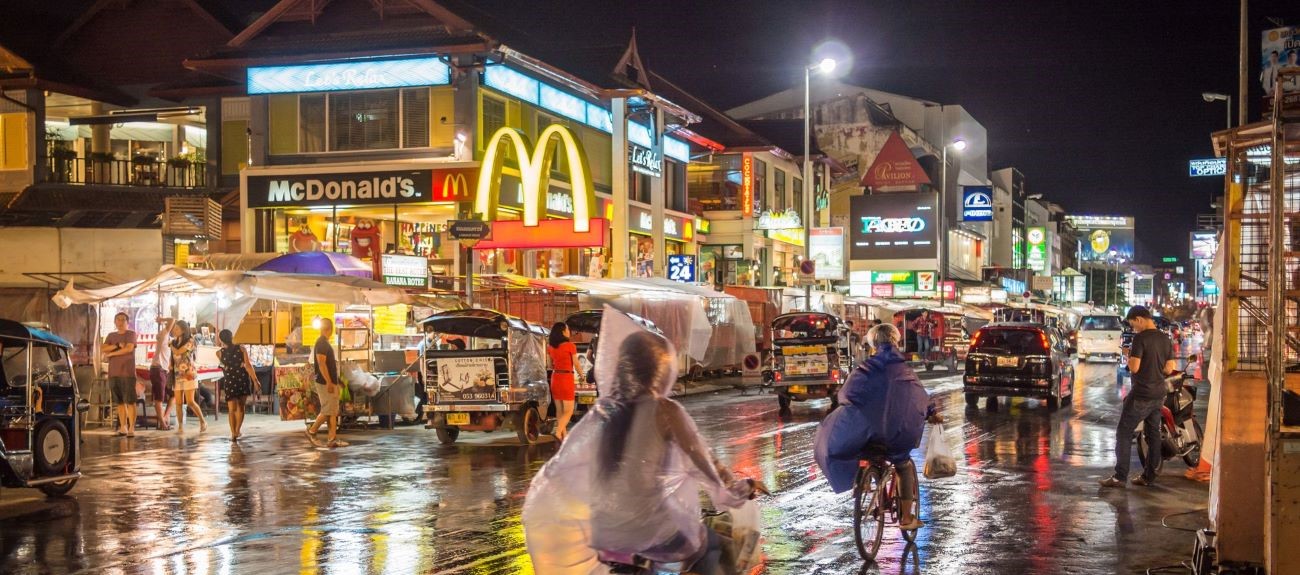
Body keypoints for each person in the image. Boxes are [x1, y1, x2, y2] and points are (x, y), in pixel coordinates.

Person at [523, 308, 766, 574]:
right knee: (712, 548)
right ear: (660, 370)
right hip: (647, 527)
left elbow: (567, 469)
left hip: (602, 530)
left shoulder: (604, 413)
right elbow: (704, 462)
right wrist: (739, 489)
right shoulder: (665, 410)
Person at [814, 323, 939, 530]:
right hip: (895, 436)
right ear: (896, 342)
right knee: (903, 465)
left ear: (873, 345)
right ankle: (907, 519)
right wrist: (932, 413)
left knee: (860, 449)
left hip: (865, 435)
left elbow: (845, 395)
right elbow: (919, 398)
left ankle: (863, 480)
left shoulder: (863, 369)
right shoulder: (904, 371)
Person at [1100, 305, 1176, 488]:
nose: (1134, 328)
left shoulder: (1140, 339)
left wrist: (1128, 354)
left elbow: (1134, 367)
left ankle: (1120, 477)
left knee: (1124, 433)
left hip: (1141, 393)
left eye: (1133, 324)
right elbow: (1169, 368)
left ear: (1140, 319)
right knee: (1153, 434)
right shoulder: (1165, 339)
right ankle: (1149, 476)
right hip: (1158, 393)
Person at [307, 320, 345, 448]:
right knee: (328, 410)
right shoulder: (322, 343)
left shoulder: (324, 343)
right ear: (330, 329)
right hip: (325, 382)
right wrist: (329, 381)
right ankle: (312, 431)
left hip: (329, 381)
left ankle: (332, 438)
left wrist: (337, 381)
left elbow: (327, 364)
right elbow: (322, 364)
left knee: (332, 411)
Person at [218, 330, 259, 440]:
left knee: (231, 409)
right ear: (232, 337)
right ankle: (237, 431)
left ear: (220, 339)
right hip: (242, 380)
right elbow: (249, 366)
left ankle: (233, 433)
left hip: (230, 381)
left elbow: (222, 366)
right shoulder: (241, 349)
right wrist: (255, 380)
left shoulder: (219, 353)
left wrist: (226, 368)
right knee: (241, 407)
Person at [103, 312, 138, 437]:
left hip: (127, 372)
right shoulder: (111, 335)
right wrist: (117, 345)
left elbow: (128, 348)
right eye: (118, 319)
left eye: (123, 319)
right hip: (114, 372)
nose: (120, 322)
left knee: (130, 401)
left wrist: (112, 353)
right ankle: (123, 427)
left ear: (127, 322)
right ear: (114, 322)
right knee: (120, 402)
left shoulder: (131, 334)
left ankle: (131, 427)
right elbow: (103, 348)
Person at [170, 320, 207, 433]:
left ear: (183, 330)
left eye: (177, 328)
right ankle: (180, 426)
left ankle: (202, 421)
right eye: (174, 328)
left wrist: (171, 346)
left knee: (190, 401)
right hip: (177, 374)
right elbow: (173, 356)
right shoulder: (174, 342)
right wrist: (170, 365)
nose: (174, 330)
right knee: (179, 402)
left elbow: (179, 351)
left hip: (188, 374)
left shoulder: (190, 341)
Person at [547, 322, 578, 443]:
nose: (569, 331)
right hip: (566, 377)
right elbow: (576, 363)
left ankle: (564, 436)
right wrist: (581, 375)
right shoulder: (570, 346)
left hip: (555, 377)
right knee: (569, 411)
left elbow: (550, 365)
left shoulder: (550, 347)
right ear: (563, 332)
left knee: (559, 410)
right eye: (568, 329)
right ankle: (558, 431)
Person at [150, 317, 175, 430]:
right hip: (157, 369)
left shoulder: (170, 339)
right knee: (159, 397)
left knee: (174, 394)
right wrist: (162, 319)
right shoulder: (164, 334)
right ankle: (162, 423)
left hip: (165, 370)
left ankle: (165, 416)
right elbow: (172, 319)